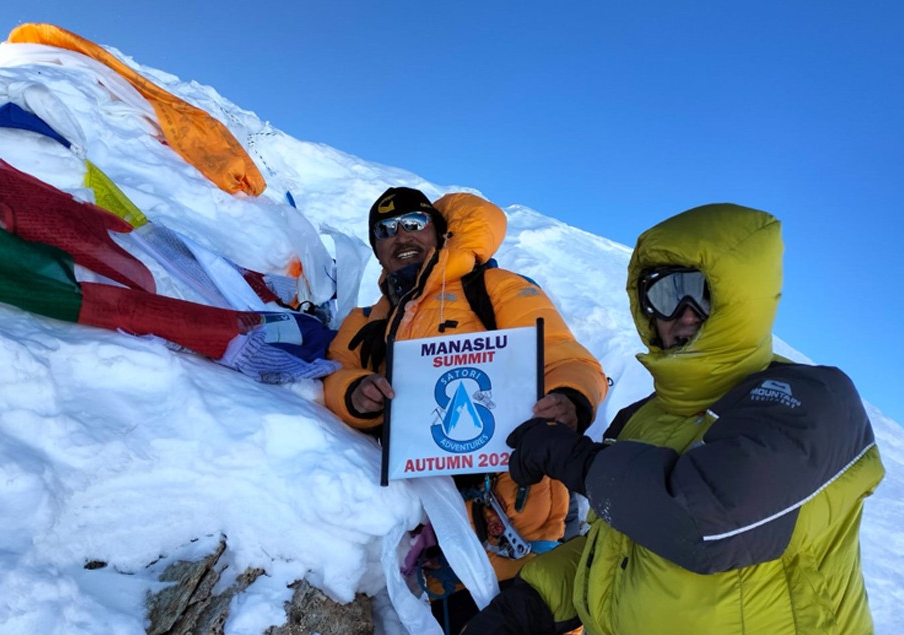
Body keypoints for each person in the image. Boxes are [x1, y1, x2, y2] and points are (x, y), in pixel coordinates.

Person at [461, 203, 885, 635]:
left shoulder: (814, 401)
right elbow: (618, 549)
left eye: (703, 292)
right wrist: (529, 604)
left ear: (745, 299)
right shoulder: (642, 419)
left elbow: (704, 524)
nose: (684, 313)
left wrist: (578, 462)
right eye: (664, 294)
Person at [323, 186, 608, 631]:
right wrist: (356, 393)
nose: (402, 236)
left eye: (415, 223)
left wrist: (570, 399)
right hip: (428, 547)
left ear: (439, 231)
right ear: (376, 248)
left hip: (519, 534)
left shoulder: (495, 290)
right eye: (386, 230)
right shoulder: (365, 322)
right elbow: (334, 374)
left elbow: (569, 359)